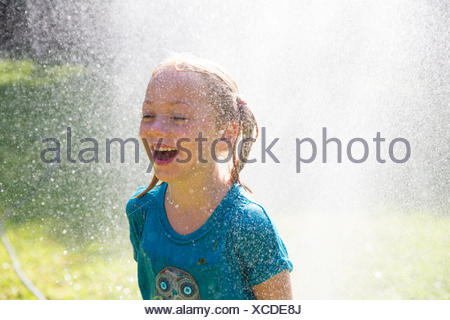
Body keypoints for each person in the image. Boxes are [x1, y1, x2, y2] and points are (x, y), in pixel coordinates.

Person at [125, 54, 293, 300]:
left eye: (179, 117)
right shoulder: (141, 212)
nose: (156, 128)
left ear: (225, 134)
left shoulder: (247, 226)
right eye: (148, 114)